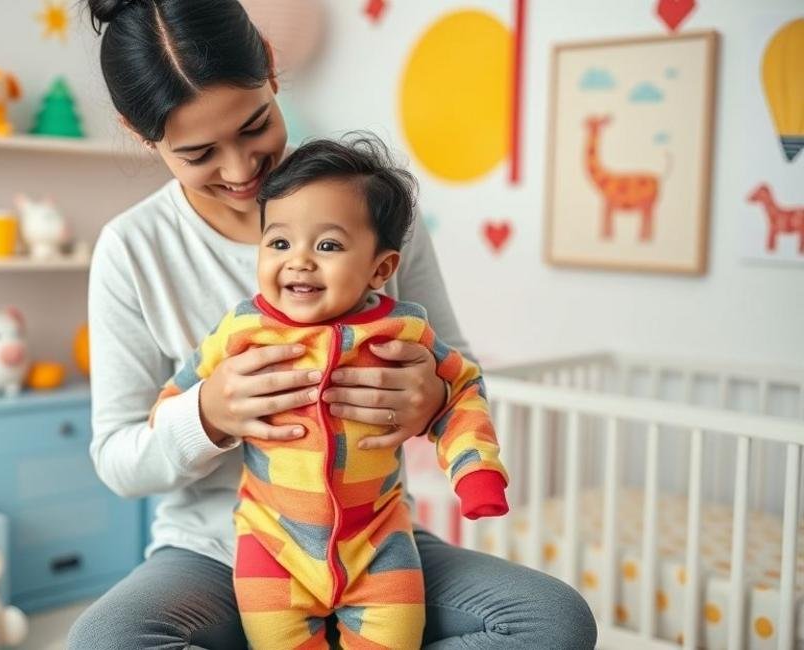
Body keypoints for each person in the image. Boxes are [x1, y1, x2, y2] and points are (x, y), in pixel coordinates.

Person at [69, 1, 598, 648]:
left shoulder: (367, 207)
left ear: (268, 65)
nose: (241, 172)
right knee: (105, 642)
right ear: (138, 133)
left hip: (372, 532)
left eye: (255, 125)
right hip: (213, 553)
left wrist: (430, 398)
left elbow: (458, 368)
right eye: (199, 153)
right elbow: (119, 460)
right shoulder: (133, 249)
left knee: (553, 621)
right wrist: (207, 412)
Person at [149, 135, 510, 649]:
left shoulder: (403, 331)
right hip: (271, 548)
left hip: (379, 543)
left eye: (328, 245)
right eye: (278, 243)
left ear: (381, 269)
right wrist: (206, 410)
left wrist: (476, 474)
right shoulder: (240, 330)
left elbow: (463, 388)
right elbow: (166, 408)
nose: (298, 261)